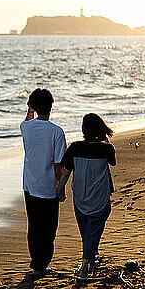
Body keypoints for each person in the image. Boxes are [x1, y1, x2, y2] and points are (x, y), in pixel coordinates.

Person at [57, 113, 116, 279]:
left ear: (83, 129)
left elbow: (66, 173)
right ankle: (85, 266)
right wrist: (105, 141)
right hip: (100, 196)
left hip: (80, 197)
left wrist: (60, 189)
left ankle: (91, 257)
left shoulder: (75, 148)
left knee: (87, 231)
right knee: (94, 229)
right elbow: (112, 162)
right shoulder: (106, 149)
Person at [20, 88, 67, 278]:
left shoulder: (25, 128)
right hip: (48, 187)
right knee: (48, 228)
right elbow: (58, 164)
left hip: (29, 185)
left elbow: (27, 120)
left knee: (34, 225)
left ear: (32, 106)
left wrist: (30, 109)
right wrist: (60, 186)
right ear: (51, 106)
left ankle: (36, 263)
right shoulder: (56, 132)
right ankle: (41, 264)